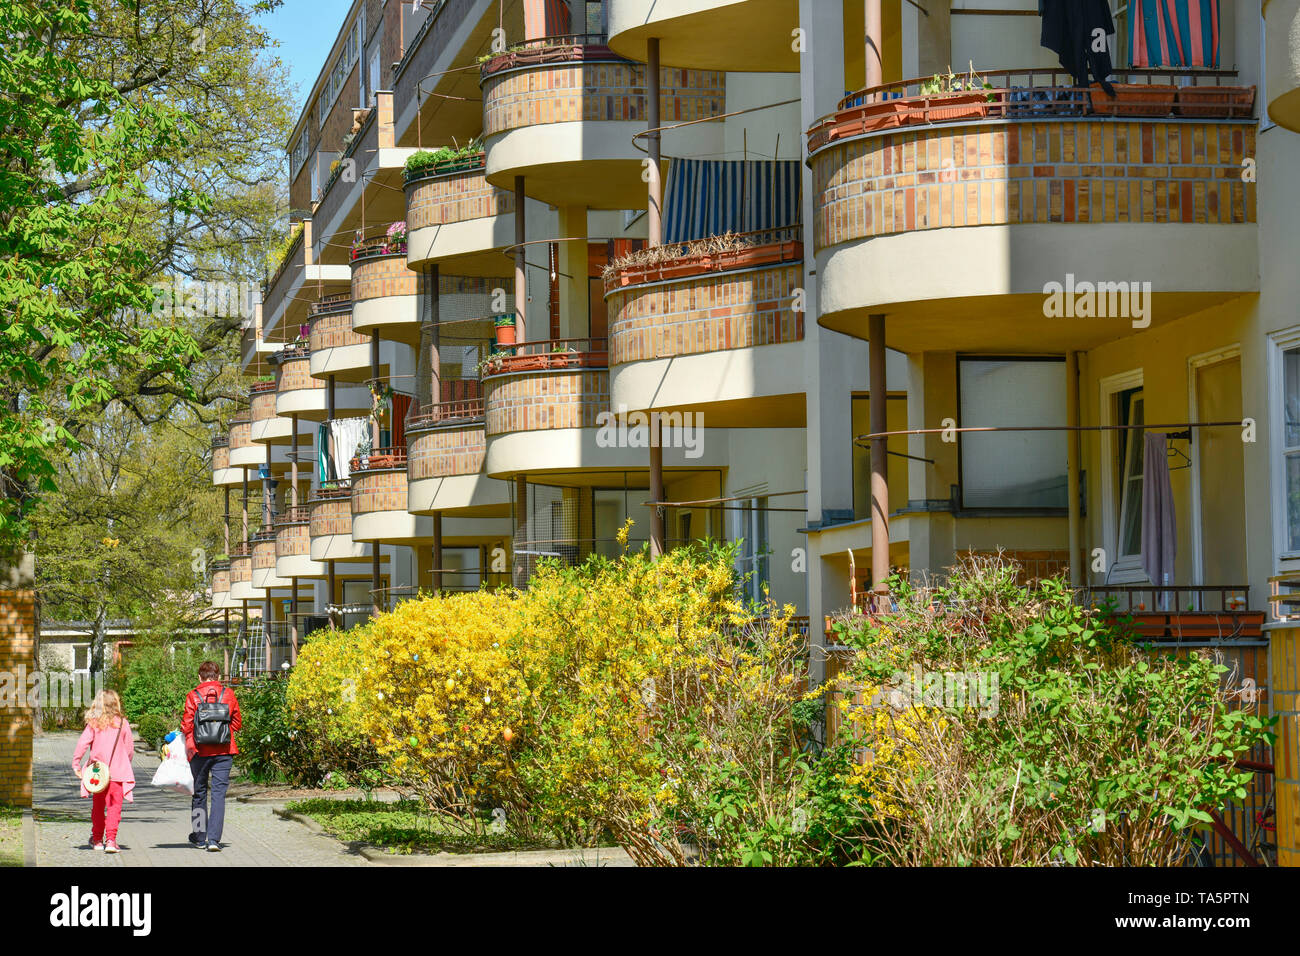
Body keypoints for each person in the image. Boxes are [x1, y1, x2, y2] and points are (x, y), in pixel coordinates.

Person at [181, 661, 241, 852]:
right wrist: (221, 731)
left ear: (200, 677)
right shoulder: (228, 695)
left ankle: (199, 838)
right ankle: (214, 840)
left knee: (199, 794)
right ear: (218, 676)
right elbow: (237, 723)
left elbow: (187, 725)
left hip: (199, 752)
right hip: (224, 751)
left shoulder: (193, 696)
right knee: (218, 796)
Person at [72, 690, 135, 854]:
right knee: (114, 808)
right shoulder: (123, 723)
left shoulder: (94, 723)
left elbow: (82, 744)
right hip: (118, 773)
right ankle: (111, 841)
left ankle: (98, 839)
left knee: (98, 807)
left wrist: (76, 763)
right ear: (116, 703)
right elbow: (129, 749)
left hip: (98, 774)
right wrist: (124, 762)